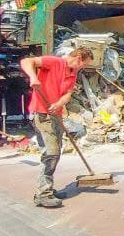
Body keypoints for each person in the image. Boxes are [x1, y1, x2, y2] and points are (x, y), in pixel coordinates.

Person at [20, 47, 94, 209]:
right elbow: (26, 61)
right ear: (78, 58)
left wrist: (59, 104)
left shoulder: (72, 73)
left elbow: (67, 94)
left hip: (56, 114)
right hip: (41, 113)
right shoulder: (54, 62)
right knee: (51, 153)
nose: (83, 67)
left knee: (55, 152)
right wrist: (33, 77)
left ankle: (47, 187)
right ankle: (43, 194)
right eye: (84, 64)